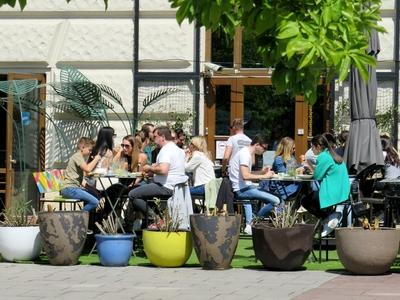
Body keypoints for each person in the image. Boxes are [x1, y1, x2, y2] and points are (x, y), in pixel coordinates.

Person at [125, 126, 187, 229]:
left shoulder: (165, 150)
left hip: (165, 186)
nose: (153, 140)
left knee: (132, 194)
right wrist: (154, 170)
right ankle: (140, 224)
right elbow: (171, 169)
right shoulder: (178, 150)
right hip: (177, 187)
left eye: (155, 137)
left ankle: (155, 220)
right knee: (138, 194)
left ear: (162, 137)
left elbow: (163, 170)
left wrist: (149, 167)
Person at [229, 134, 280, 235]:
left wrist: (262, 172)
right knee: (276, 201)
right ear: (257, 144)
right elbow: (245, 176)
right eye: (264, 148)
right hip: (242, 190)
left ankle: (252, 222)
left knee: (278, 198)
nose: (264, 151)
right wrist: (265, 176)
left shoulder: (246, 152)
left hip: (246, 187)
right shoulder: (245, 154)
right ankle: (254, 222)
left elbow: (248, 174)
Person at [301, 134, 350, 236]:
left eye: (312, 147)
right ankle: (329, 218)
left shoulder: (323, 156)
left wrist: (308, 165)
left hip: (331, 193)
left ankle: (328, 218)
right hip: (343, 192)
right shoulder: (334, 155)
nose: (312, 150)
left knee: (305, 200)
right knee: (313, 198)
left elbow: (317, 176)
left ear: (318, 147)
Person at [103, 135, 148, 216]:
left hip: (137, 184)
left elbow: (140, 176)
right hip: (124, 183)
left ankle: (119, 218)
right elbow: (111, 167)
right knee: (110, 191)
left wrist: (130, 185)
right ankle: (112, 217)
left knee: (116, 192)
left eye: (127, 146)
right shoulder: (124, 155)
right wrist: (119, 153)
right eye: (122, 145)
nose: (124, 148)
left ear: (133, 147)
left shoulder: (141, 156)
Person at [60, 137, 102, 212]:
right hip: (70, 189)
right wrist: (96, 159)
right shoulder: (77, 156)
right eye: (90, 150)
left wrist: (93, 190)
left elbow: (81, 180)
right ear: (83, 147)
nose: (90, 152)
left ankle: (87, 220)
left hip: (73, 189)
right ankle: (77, 218)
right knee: (94, 202)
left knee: (94, 196)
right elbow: (88, 169)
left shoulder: (80, 158)